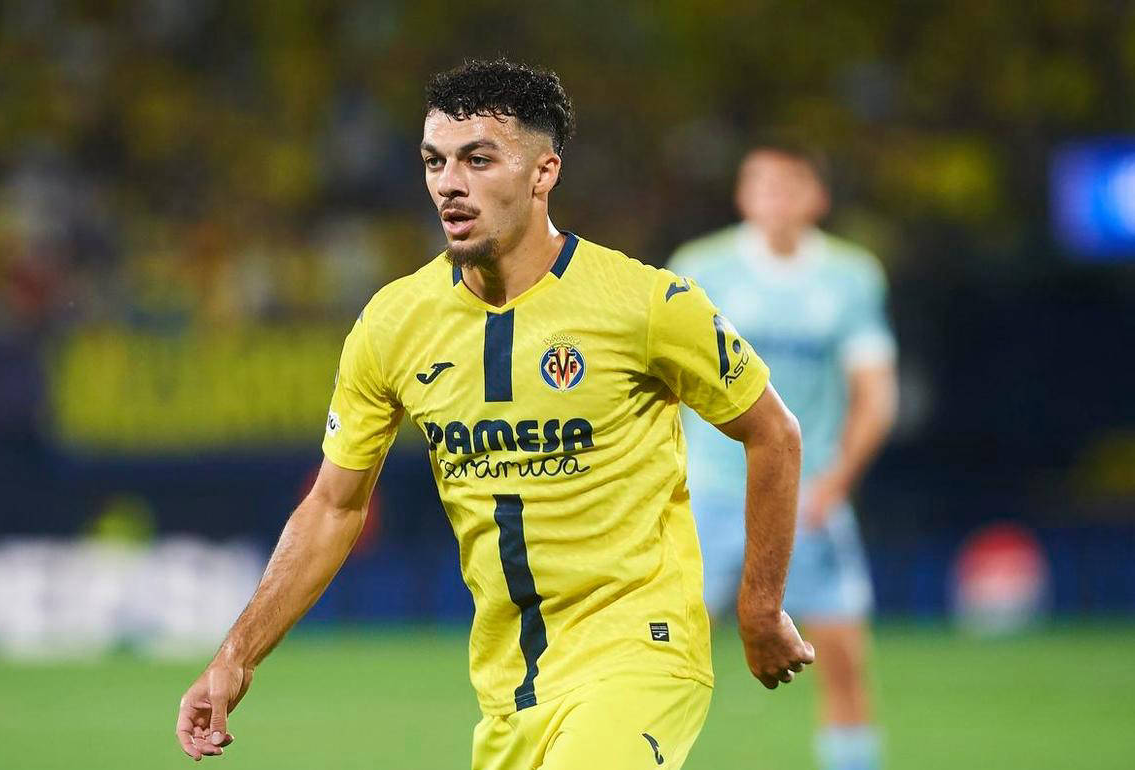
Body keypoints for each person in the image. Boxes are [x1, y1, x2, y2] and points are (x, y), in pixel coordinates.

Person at [175, 59, 814, 769]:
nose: (450, 183)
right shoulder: (394, 323)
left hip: (639, 655)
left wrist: (759, 608)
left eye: (478, 160)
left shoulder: (648, 305)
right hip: (509, 691)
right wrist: (237, 655)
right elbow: (333, 506)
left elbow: (774, 433)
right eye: (435, 161)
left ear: (543, 174)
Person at [667, 142, 898, 770]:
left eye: (788, 183)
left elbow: (876, 394)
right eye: (760, 183)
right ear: (742, 195)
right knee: (663, 661)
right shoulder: (700, 267)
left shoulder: (851, 277)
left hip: (808, 497)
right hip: (709, 494)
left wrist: (837, 482)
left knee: (842, 660)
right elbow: (663, 383)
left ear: (816, 197)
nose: (773, 196)